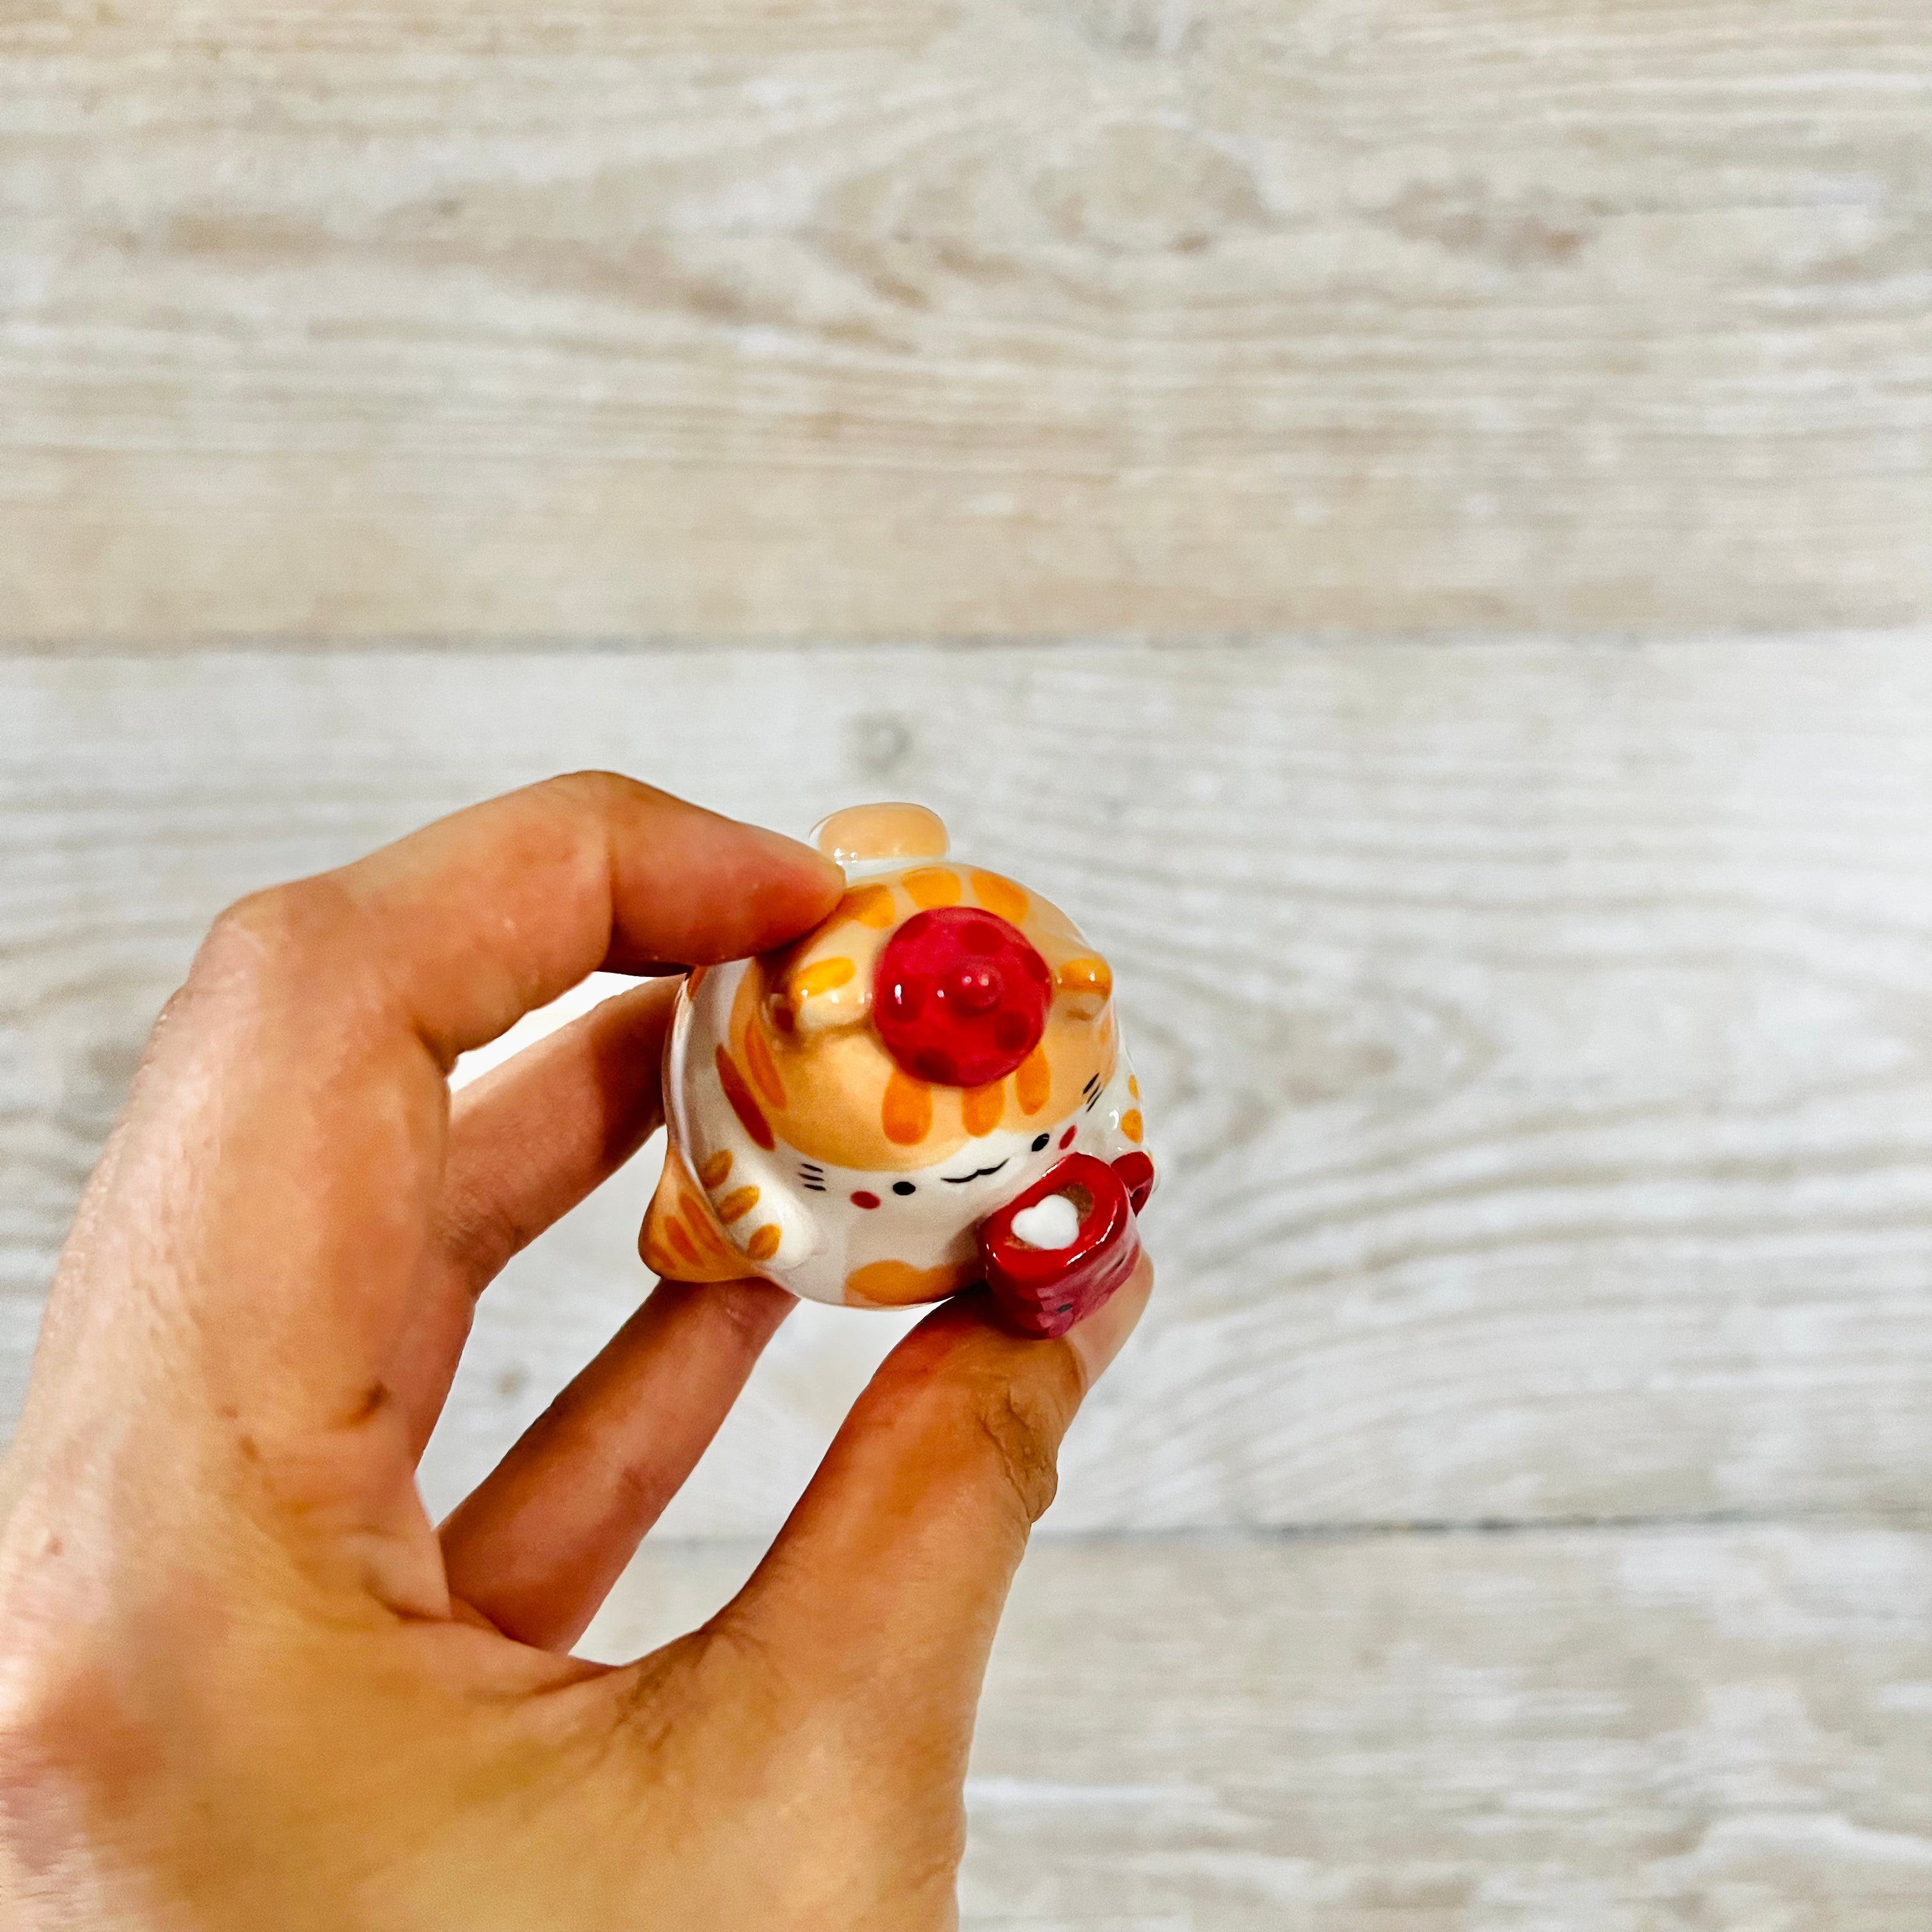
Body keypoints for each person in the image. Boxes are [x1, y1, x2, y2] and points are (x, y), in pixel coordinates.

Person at [0, 776, 1153, 1931]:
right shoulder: (765, 1034)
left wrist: (1096, 1135)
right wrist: (765, 1214)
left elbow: (1096, 1101)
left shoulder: (1063, 993)